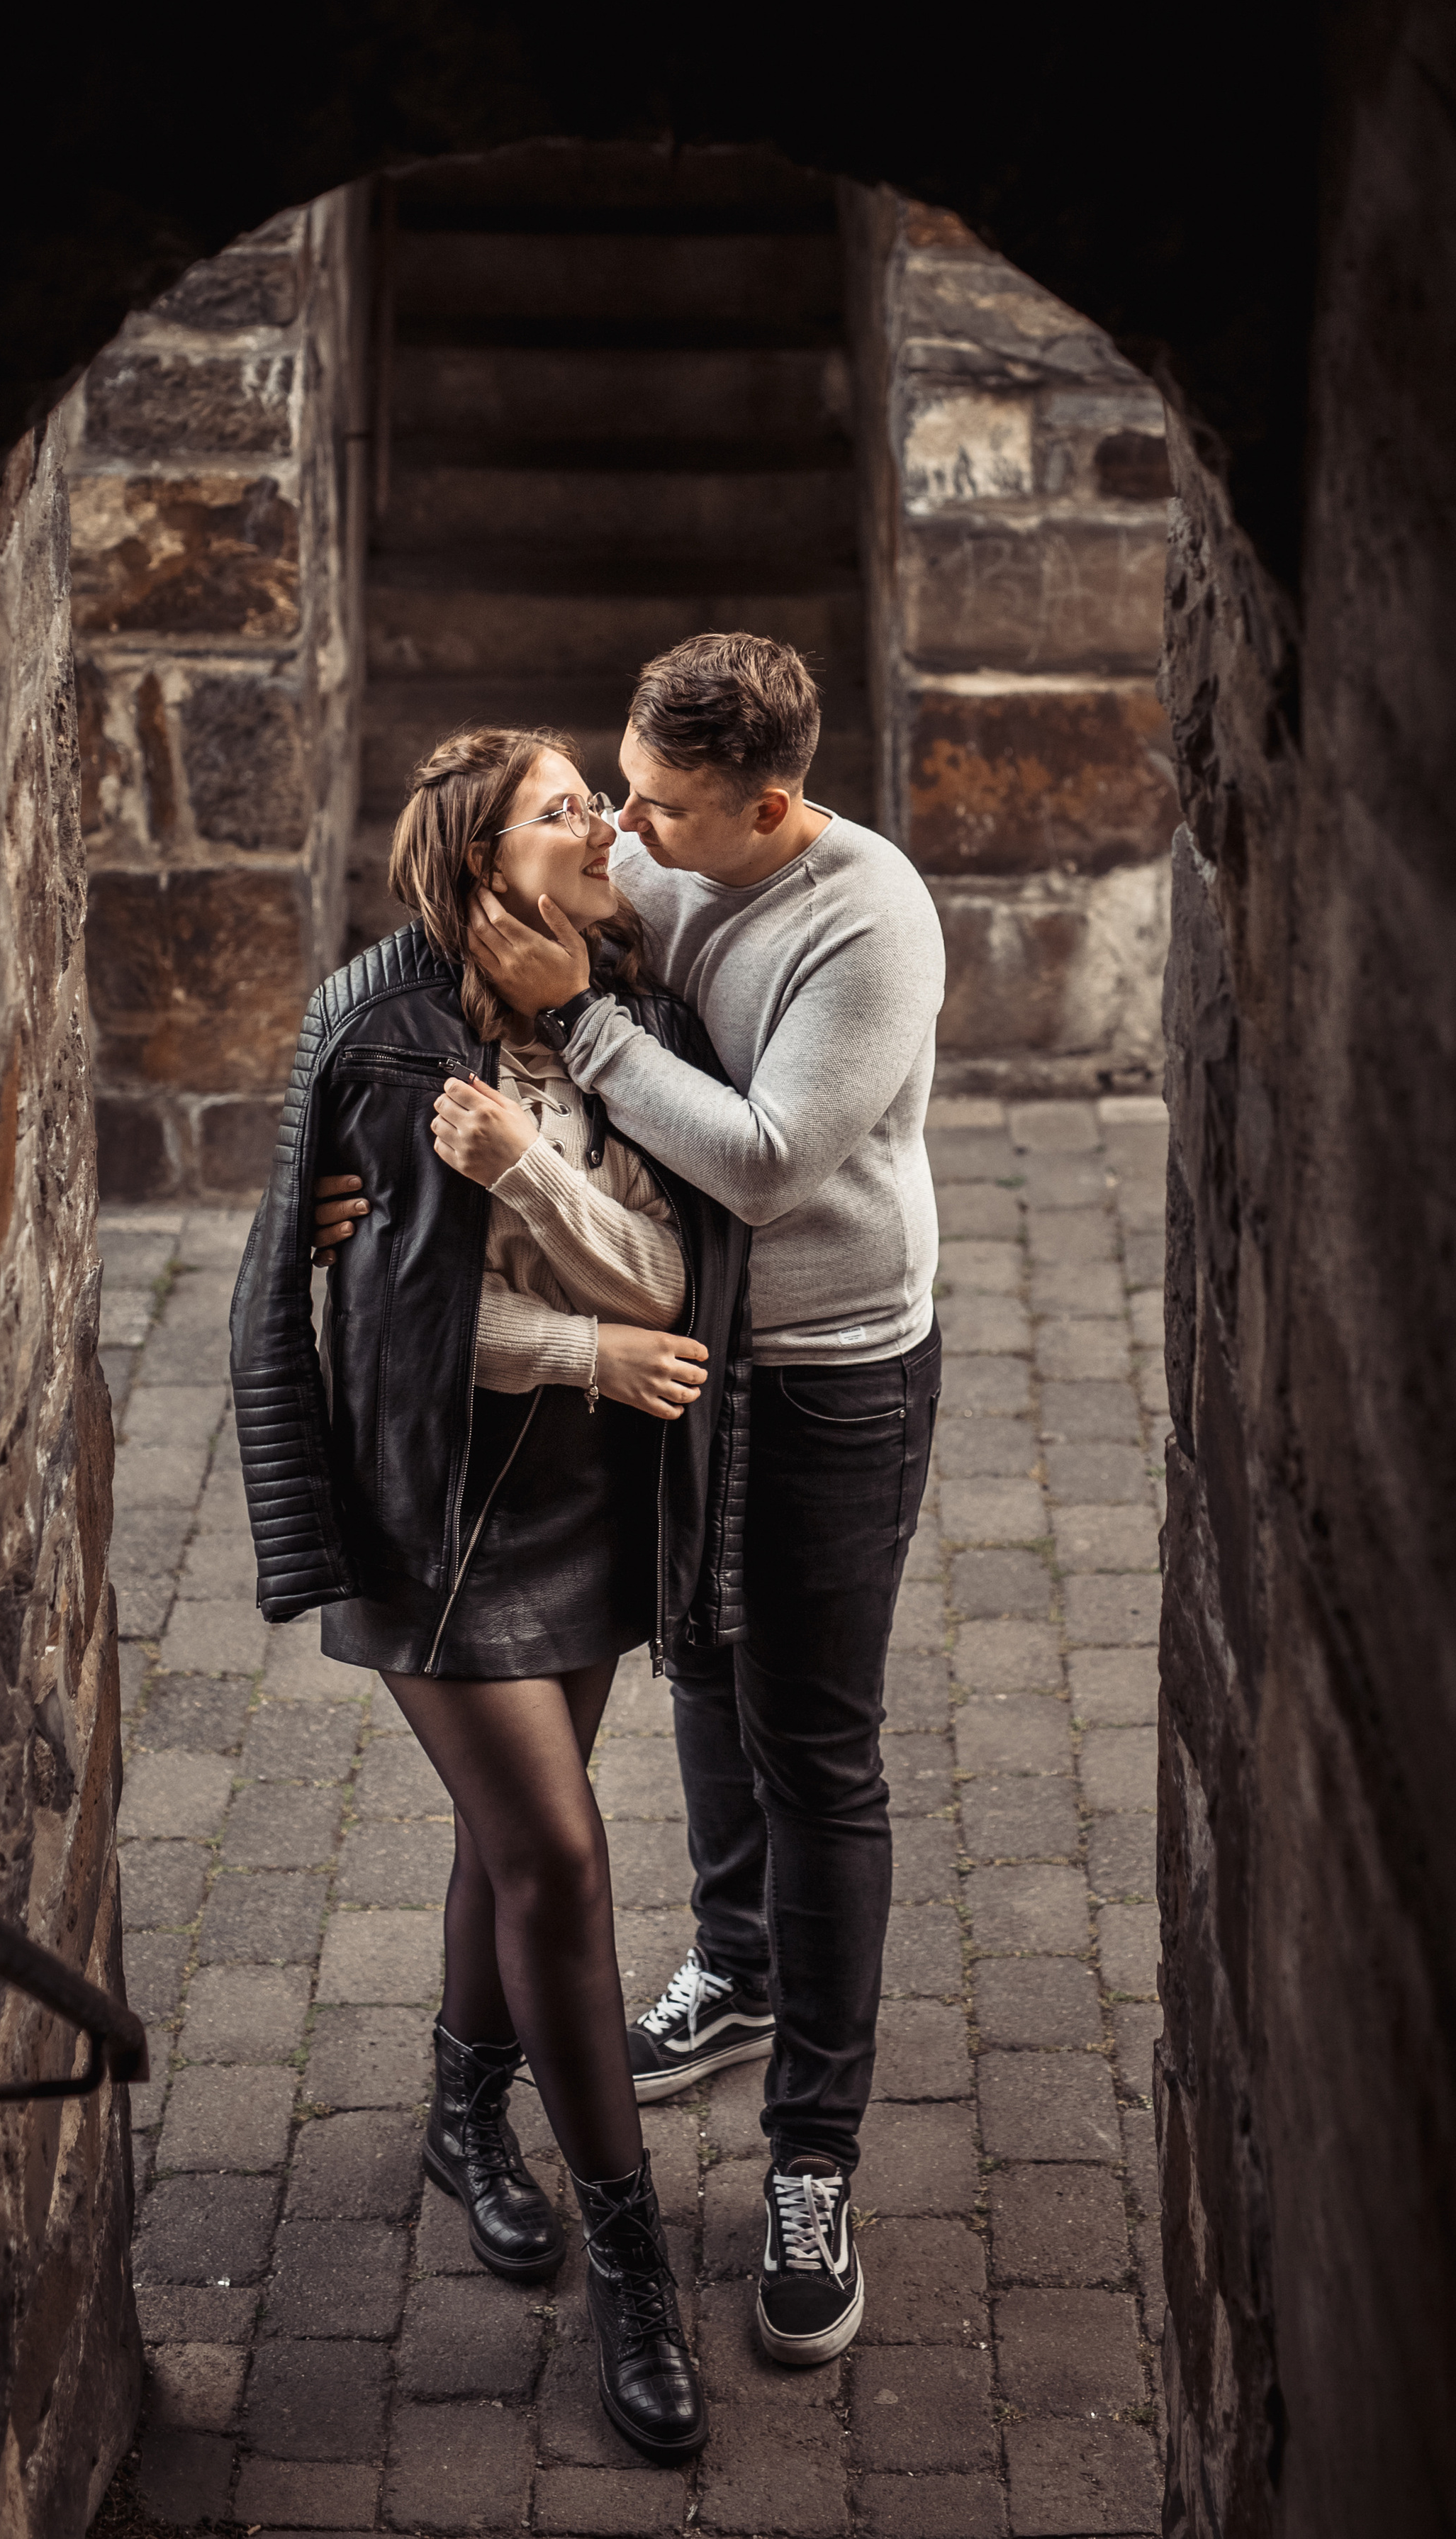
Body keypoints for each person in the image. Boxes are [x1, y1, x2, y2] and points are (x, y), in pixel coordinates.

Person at [315, 633, 944, 2367]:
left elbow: (733, 1174)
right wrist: (327, 1148)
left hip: (823, 1370)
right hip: (566, 1443)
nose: (631, 838)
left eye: (655, 812)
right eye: (600, 800)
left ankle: (810, 2156)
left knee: (810, 1748)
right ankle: (718, 1984)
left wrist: (564, 1061)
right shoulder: (599, 912)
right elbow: (414, 967)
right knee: (693, 1691)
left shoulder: (856, 923)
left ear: (770, 804)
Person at [233, 727, 753, 2462]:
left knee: (503, 1840)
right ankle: (628, 2267)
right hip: (433, 1513)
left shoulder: (615, 1010)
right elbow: (400, 1339)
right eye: (561, 810)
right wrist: (589, 1349)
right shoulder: (395, 1048)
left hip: (580, 1505)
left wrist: (541, 1206)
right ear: (478, 872)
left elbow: (669, 1274)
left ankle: (464, 2115)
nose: (604, 824)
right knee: (557, 1857)